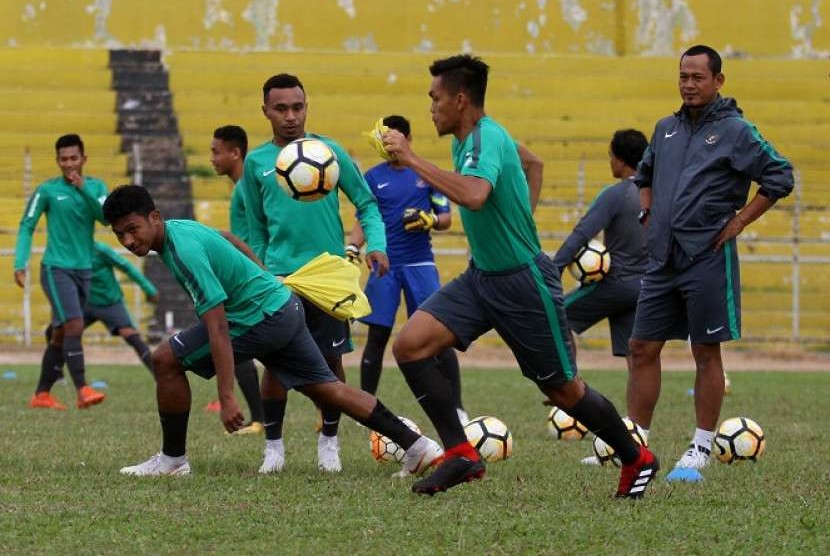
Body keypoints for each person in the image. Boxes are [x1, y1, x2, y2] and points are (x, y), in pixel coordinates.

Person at [382, 54, 659, 497]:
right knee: (410, 346)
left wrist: (411, 158)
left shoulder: (485, 137)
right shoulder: (474, 137)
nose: (430, 108)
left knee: (564, 391)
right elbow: (534, 165)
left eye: (434, 99)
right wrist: (516, 219)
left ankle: (637, 457)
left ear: (460, 99)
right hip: (481, 278)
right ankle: (461, 454)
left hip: (523, 283)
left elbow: (474, 195)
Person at [103, 185, 443, 477]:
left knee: (165, 359)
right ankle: (418, 447)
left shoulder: (182, 251)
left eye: (133, 229)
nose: (129, 240)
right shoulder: (180, 229)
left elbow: (218, 326)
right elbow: (228, 237)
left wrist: (226, 397)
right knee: (328, 388)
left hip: (260, 318)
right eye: (120, 234)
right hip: (282, 306)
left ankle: (173, 461)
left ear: (154, 217)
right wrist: (263, 275)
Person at [629, 45, 794, 479]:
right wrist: (647, 214)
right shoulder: (665, 128)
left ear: (718, 81)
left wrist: (740, 221)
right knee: (641, 347)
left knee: (704, 351)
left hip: (706, 256)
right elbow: (643, 176)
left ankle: (700, 446)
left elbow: (780, 175)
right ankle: (635, 442)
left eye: (697, 77)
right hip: (662, 257)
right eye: (683, 76)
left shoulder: (737, 131)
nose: (688, 84)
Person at [239, 74, 390, 474]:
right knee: (274, 365)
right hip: (279, 279)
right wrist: (260, 271)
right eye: (281, 108)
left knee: (331, 362)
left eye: (298, 107)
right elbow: (254, 227)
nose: (290, 116)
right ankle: (273, 447)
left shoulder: (330, 152)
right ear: (266, 111)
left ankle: (329, 442)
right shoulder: (255, 164)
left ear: (307, 106)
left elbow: (368, 205)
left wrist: (376, 244)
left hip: (327, 277)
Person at [346, 114, 465, 423]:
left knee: (437, 337)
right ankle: (365, 409)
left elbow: (446, 218)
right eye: (385, 140)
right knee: (377, 336)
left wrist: (429, 220)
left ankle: (458, 407)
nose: (390, 145)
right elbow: (363, 218)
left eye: (395, 139)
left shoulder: (427, 174)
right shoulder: (372, 177)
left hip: (420, 265)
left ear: (408, 140)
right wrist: (352, 246)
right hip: (385, 265)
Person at [550, 129, 649, 467]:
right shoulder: (656, 193)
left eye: (610, 155)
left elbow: (583, 232)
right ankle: (633, 440)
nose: (609, 161)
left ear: (620, 159)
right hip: (647, 287)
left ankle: (570, 387)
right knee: (637, 359)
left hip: (616, 284)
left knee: (558, 314)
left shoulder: (617, 194)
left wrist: (554, 267)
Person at [15, 133, 108, 410]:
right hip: (56, 268)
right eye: (64, 159)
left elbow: (105, 218)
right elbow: (27, 225)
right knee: (74, 325)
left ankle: (42, 394)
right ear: (57, 161)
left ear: (84, 159)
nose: (69, 164)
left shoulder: (96, 187)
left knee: (59, 334)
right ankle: (82, 389)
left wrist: (83, 190)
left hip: (84, 270)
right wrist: (20, 262)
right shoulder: (46, 190)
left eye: (74, 158)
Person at [202, 124, 265, 435]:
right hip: (248, 275)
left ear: (235, 152)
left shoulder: (245, 189)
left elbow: (253, 237)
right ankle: (261, 417)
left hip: (250, 278)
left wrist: (256, 269)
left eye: (216, 151)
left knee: (235, 343)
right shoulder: (243, 187)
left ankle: (262, 418)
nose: (212, 158)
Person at [43, 240, 159, 389]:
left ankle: (160, 376)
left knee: (131, 335)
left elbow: (127, 267)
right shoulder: (68, 253)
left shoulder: (100, 249)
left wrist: (150, 289)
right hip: (83, 303)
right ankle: (57, 376)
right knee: (54, 331)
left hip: (109, 302)